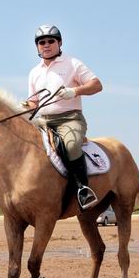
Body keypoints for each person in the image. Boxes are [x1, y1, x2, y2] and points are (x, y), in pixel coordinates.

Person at [24, 24, 103, 210]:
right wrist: (25, 106)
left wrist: (74, 91)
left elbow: (97, 85)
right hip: (43, 121)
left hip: (69, 119)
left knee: (71, 145)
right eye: (41, 42)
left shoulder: (73, 63)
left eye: (51, 41)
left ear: (59, 43)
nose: (46, 45)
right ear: (37, 47)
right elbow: (34, 102)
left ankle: (84, 189)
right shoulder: (34, 72)